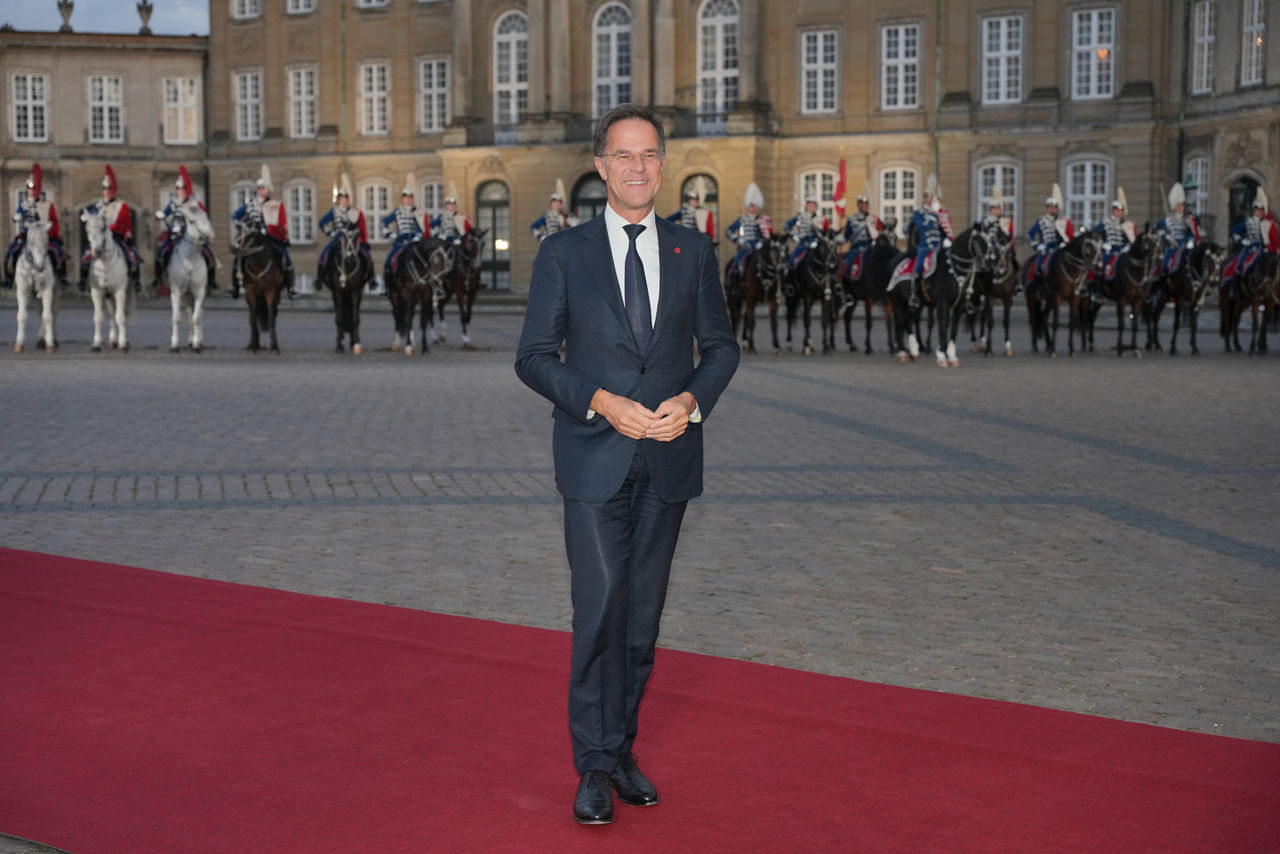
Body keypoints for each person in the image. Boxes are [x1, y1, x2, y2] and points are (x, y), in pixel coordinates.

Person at [514, 103, 740, 827]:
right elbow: (533, 359)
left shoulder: (692, 251)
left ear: (662, 165)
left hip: (669, 460)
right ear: (601, 166)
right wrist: (601, 402)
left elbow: (722, 348)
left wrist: (692, 401)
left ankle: (620, 752)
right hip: (593, 459)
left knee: (641, 623)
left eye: (649, 155)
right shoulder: (563, 253)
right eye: (623, 155)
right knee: (600, 610)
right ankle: (590, 767)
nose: (638, 167)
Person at [231, 165, 293, 298]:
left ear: (268, 190)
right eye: (260, 188)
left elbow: (280, 222)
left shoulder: (274, 204)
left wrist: (281, 234)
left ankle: (290, 287)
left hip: (269, 237)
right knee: (238, 256)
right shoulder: (250, 203)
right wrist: (242, 225)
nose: (262, 191)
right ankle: (234, 286)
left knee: (285, 256)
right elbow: (235, 216)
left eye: (264, 188)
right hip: (252, 236)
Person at [154, 165, 218, 291]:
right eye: (177, 188)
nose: (180, 191)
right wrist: (161, 215)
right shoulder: (173, 204)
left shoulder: (195, 204)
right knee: (161, 252)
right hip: (175, 234)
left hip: (193, 235)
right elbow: (165, 213)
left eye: (182, 188)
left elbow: (204, 218)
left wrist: (209, 232)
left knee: (209, 254)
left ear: (187, 189)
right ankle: (158, 277)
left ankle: (211, 280)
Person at [81, 164, 142, 293]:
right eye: (105, 189)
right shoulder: (98, 205)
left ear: (113, 190)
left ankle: (135, 279)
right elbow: (91, 217)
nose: (107, 191)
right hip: (100, 236)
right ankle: (83, 279)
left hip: (116, 235)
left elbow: (124, 221)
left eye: (109, 189)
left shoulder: (121, 205)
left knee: (132, 253)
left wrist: (126, 233)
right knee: (86, 253)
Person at [5, 163, 67, 289]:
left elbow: (53, 220)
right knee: (12, 251)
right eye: (29, 188)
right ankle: (9, 278)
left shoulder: (46, 204)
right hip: (27, 235)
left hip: (43, 235)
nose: (32, 191)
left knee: (58, 252)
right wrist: (18, 217)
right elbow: (17, 215)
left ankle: (61, 277)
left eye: (34, 189)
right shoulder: (24, 204)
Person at [908, 175, 953, 310]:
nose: (929, 200)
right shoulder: (919, 213)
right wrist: (933, 216)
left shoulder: (938, 213)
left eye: (931, 198)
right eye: (928, 198)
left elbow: (943, 230)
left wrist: (947, 239)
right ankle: (914, 294)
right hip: (925, 247)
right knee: (918, 267)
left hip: (939, 247)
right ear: (924, 199)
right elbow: (922, 226)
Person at [1223, 189, 1279, 291]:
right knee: (1239, 266)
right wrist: (1242, 241)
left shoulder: (1268, 223)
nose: (1259, 212)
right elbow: (1232, 232)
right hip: (1250, 248)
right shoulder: (1248, 221)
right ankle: (1234, 289)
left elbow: (1272, 239)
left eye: (1261, 209)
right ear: (1254, 210)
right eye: (1257, 209)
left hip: (1263, 250)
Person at [317, 174, 371, 278]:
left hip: (351, 240)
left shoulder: (353, 212)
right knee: (324, 256)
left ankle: (371, 277)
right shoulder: (334, 211)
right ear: (338, 200)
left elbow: (357, 226)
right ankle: (319, 278)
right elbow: (322, 223)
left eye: (346, 199)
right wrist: (331, 232)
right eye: (342, 199)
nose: (344, 201)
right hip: (338, 239)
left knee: (367, 255)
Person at [382, 177, 428, 286]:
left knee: (426, 262)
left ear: (412, 199)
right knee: (389, 261)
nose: (408, 200)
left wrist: (418, 235)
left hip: (415, 242)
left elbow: (422, 227)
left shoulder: (418, 212)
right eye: (406, 198)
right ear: (403, 199)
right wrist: (391, 234)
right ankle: (388, 286)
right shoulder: (397, 211)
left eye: (410, 198)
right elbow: (383, 222)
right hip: (401, 242)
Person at [1026, 185, 1073, 286]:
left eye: (1054, 207)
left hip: (1060, 249)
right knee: (1039, 265)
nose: (1052, 209)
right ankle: (1038, 286)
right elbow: (1029, 235)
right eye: (1050, 207)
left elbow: (1069, 236)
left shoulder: (1063, 221)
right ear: (1046, 209)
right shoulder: (1041, 221)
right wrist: (1037, 245)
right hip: (1046, 249)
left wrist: (1065, 243)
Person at [724, 183, 772, 280]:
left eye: (755, 206)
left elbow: (768, 235)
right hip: (746, 247)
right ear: (747, 207)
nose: (753, 208)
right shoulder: (742, 219)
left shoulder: (763, 220)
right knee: (737, 264)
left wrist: (762, 242)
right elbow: (728, 231)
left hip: (760, 248)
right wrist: (738, 240)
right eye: (751, 206)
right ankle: (733, 284)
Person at [1156, 182, 1200, 278]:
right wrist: (1167, 236)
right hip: (1172, 245)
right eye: (1178, 206)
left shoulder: (1186, 219)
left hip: (1183, 245)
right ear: (1175, 207)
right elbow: (1157, 228)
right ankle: (1163, 278)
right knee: (1166, 261)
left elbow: (1189, 233)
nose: (1181, 208)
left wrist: (1190, 240)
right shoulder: (1168, 219)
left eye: (1182, 206)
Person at [841, 185, 883, 285]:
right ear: (858, 205)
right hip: (855, 249)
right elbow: (846, 236)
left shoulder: (873, 219)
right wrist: (838, 239)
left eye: (865, 204)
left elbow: (879, 234)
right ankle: (847, 291)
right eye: (861, 203)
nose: (864, 206)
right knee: (847, 267)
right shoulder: (851, 219)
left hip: (869, 249)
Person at [1092, 192, 1133, 290]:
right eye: (1117, 210)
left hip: (1122, 252)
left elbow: (1130, 239)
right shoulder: (1105, 222)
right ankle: (1098, 289)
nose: (1119, 213)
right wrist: (1103, 244)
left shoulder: (1126, 224)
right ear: (1113, 211)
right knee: (1101, 266)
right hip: (1108, 252)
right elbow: (1095, 234)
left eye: (1121, 211)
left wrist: (1127, 246)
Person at [785, 196, 829, 271]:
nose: (811, 207)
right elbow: (787, 226)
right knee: (792, 262)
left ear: (816, 207)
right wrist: (794, 236)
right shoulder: (800, 216)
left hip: (816, 245)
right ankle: (789, 280)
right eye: (809, 205)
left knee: (827, 262)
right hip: (803, 244)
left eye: (813, 205)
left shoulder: (820, 219)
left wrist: (817, 240)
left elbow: (825, 233)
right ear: (806, 206)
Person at [665, 179, 715, 243]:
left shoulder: (702, 211)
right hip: (685, 239)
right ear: (689, 200)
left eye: (696, 199)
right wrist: (678, 231)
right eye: (692, 199)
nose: (694, 201)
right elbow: (669, 220)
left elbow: (705, 228)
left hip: (697, 240)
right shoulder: (684, 211)